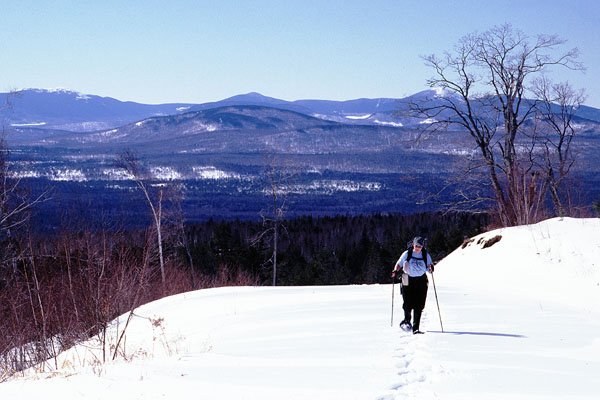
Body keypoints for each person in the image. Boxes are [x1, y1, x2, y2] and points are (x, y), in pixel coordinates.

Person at [391, 236, 434, 334]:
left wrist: (431, 268)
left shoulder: (425, 255)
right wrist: (395, 270)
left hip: (421, 280)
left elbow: (429, 267)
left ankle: (416, 328)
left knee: (419, 304)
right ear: (413, 245)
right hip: (408, 280)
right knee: (407, 302)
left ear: (422, 246)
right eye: (416, 245)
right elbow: (399, 263)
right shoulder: (407, 253)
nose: (418, 248)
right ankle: (406, 321)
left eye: (420, 246)